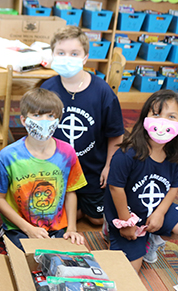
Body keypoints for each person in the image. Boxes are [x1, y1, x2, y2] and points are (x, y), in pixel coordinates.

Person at [104, 89, 178, 273]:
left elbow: (173, 186)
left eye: (171, 116)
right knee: (129, 272)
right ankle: (111, 229)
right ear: (145, 119)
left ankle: (152, 236)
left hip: (152, 210)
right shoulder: (127, 154)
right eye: (156, 114)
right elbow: (115, 189)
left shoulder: (173, 153)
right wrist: (126, 223)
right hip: (126, 213)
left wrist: (160, 213)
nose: (162, 121)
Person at [40, 25, 124, 229]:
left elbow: (116, 135)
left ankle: (73, 209)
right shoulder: (47, 89)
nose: (67, 58)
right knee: (41, 209)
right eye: (61, 53)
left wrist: (108, 166)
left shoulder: (103, 92)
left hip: (90, 170)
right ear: (52, 55)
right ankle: (70, 208)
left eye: (74, 53)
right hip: (56, 168)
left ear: (85, 58)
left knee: (96, 219)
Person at [0, 88, 87, 250]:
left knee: (64, 260)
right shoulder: (7, 156)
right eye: (36, 115)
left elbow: (71, 191)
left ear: (58, 120)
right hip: (20, 227)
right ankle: (5, 233)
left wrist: (72, 228)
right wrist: (28, 228)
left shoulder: (67, 152)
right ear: (23, 120)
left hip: (57, 227)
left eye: (50, 116)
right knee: (31, 259)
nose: (44, 121)